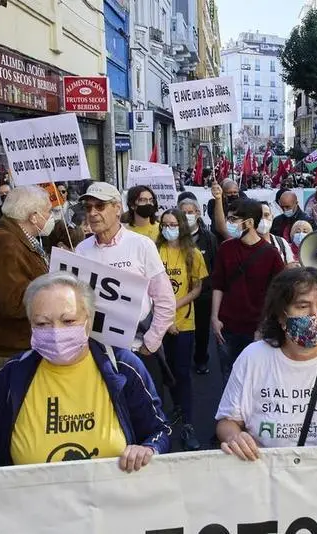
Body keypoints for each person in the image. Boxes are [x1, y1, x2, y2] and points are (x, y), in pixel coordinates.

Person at [0, 272, 171, 490]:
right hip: (32, 512)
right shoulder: (12, 376)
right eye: (42, 323)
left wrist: (148, 448)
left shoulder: (122, 367)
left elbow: (159, 429)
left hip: (109, 507)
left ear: (87, 322)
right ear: (30, 325)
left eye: (67, 320)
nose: (55, 332)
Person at [215, 268, 317, 460]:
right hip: (270, 476)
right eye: (303, 306)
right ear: (281, 315)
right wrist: (235, 437)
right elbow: (227, 421)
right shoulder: (253, 358)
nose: (314, 315)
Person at [74, 182, 175, 400]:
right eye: (88, 207)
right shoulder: (81, 250)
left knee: (145, 417)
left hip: (137, 351)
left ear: (117, 208)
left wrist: (150, 343)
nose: (92, 213)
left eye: (99, 206)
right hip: (97, 354)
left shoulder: (141, 245)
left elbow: (165, 300)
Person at [0, 186, 52, 374]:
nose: (50, 217)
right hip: (13, 348)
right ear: (33, 217)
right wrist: (51, 295)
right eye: (48, 212)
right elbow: (12, 302)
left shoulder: (15, 237)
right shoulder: (7, 244)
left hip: (18, 344)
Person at [210, 199, 286, 383]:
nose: (230, 223)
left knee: (257, 380)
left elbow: (277, 295)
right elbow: (218, 285)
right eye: (229, 218)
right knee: (229, 378)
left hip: (258, 328)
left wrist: (265, 325)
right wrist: (214, 317)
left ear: (250, 222)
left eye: (234, 219)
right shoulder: (226, 248)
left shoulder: (271, 254)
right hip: (227, 327)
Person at [156, 209, 207, 451]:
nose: (169, 228)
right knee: (160, 374)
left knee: (182, 372)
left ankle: (187, 424)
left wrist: (174, 306)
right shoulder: (155, 252)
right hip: (157, 324)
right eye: (165, 224)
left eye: (174, 224)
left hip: (184, 323)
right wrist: (165, 315)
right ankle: (157, 424)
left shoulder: (193, 254)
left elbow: (197, 288)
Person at [179, 198, 218, 375]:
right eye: (184, 212)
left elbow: (215, 265)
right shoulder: (174, 239)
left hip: (203, 294)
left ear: (198, 213)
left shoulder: (208, 238)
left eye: (191, 212)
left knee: (202, 331)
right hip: (180, 294)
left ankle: (201, 359)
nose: (188, 216)